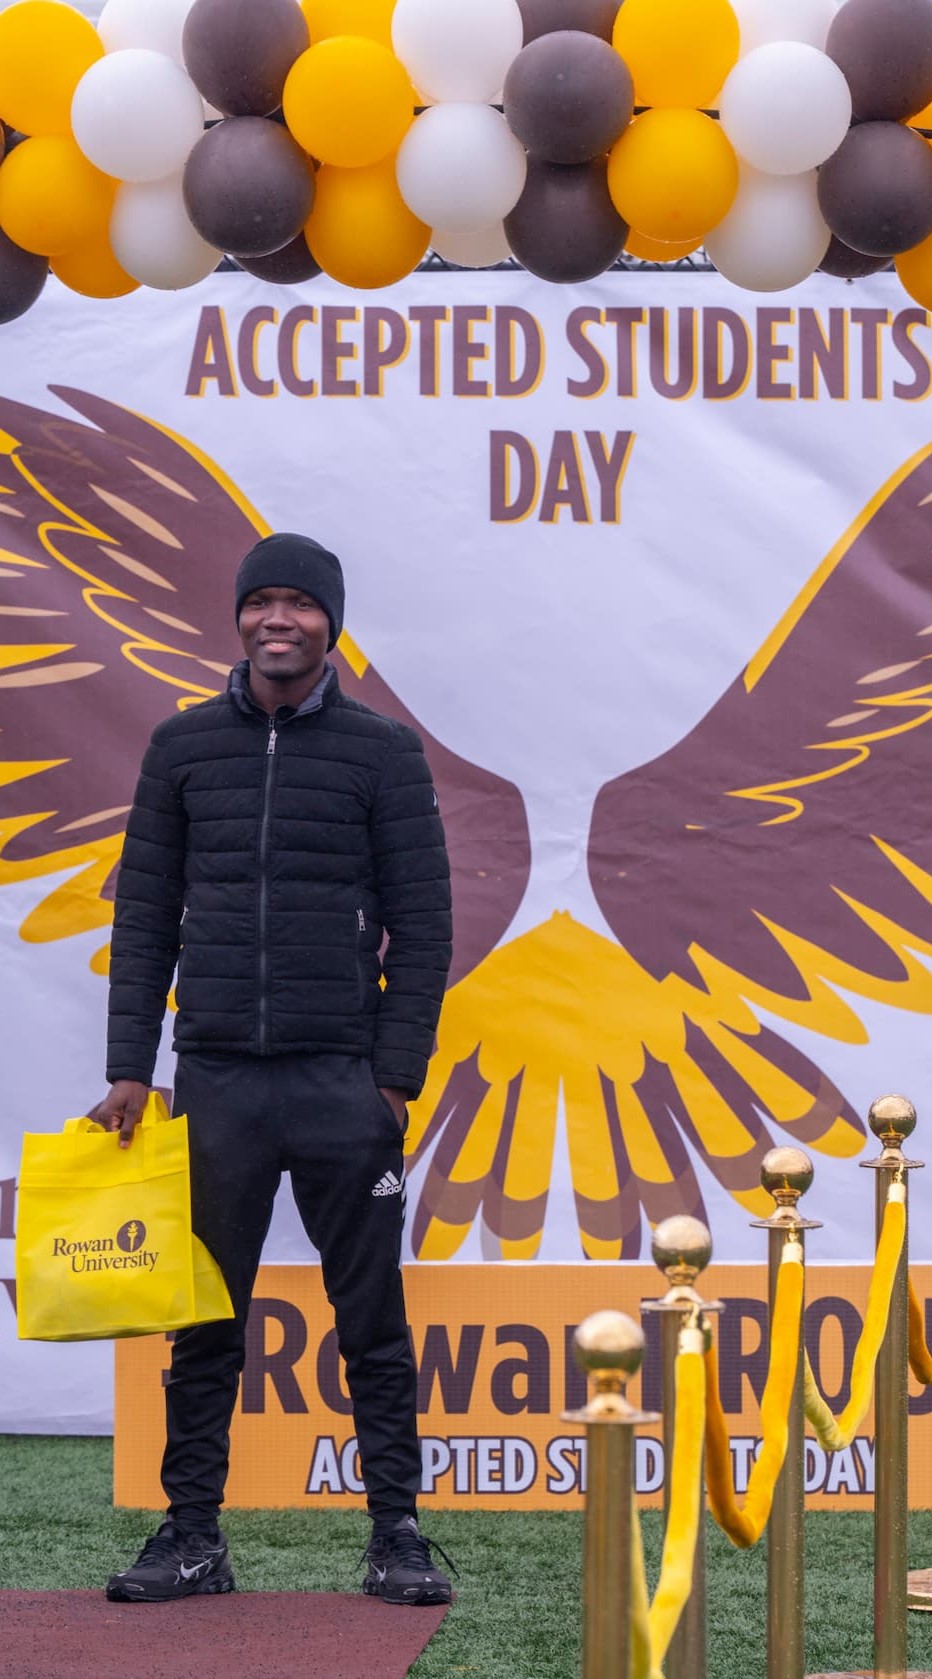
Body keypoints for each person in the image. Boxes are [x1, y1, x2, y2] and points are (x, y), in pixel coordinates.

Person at [94, 532, 453, 1607]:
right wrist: (129, 1066)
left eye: (301, 604)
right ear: (239, 618)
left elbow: (424, 927)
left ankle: (397, 1535)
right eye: (263, 603)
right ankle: (191, 1536)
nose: (278, 620)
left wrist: (391, 1080)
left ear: (330, 625)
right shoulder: (182, 745)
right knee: (203, 1319)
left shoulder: (385, 751)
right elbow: (146, 911)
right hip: (215, 1082)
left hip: (343, 1080)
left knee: (373, 1320)